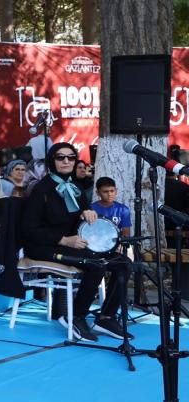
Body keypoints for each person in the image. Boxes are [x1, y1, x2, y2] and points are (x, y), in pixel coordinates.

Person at [21, 142, 131, 341]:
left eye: (71, 157)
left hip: (75, 243)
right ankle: (76, 317)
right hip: (44, 246)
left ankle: (106, 317)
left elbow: (76, 222)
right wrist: (64, 240)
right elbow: (28, 230)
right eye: (60, 157)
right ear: (51, 161)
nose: (66, 161)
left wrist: (86, 214)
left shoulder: (76, 187)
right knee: (96, 265)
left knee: (123, 263)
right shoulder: (41, 189)